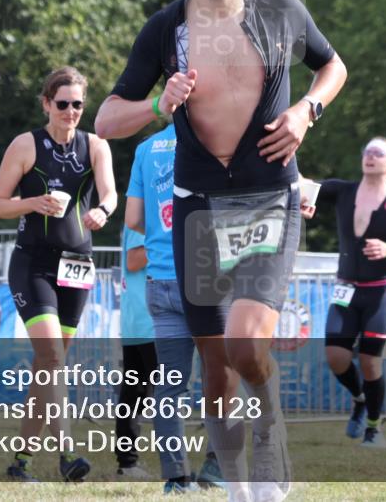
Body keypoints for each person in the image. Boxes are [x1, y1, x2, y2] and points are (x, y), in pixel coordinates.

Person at [95, 0, 347, 501]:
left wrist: (306, 112)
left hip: (268, 201)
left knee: (243, 346)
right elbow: (105, 120)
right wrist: (159, 106)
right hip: (199, 211)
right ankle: (238, 488)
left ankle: (271, 419)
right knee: (214, 375)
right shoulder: (165, 30)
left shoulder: (282, 11)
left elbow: (333, 66)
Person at [0, 66, 116, 484]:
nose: (71, 112)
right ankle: (67, 453)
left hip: (76, 263)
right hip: (33, 264)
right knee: (52, 358)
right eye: (63, 104)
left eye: (77, 104)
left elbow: (110, 193)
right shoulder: (26, 145)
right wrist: (32, 203)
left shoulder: (95, 146)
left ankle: (20, 461)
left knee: (49, 365)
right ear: (46, 104)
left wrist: (102, 211)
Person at [301, 137, 386, 448]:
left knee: (370, 361)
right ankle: (360, 398)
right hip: (346, 288)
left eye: (378, 153)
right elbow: (305, 186)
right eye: (367, 151)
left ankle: (374, 427)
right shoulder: (343, 190)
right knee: (335, 357)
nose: (370, 156)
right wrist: (287, 151)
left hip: (382, 290)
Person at [125, 122, 222, 493]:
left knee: (170, 385)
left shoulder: (147, 148)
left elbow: (134, 219)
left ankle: (176, 478)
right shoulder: (217, 136)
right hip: (206, 277)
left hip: (160, 279)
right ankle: (218, 465)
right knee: (221, 375)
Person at [114, 225, 157, 480]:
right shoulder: (142, 216)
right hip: (149, 321)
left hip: (140, 321)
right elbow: (134, 260)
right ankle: (176, 469)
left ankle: (127, 463)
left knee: (136, 395)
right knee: (162, 394)